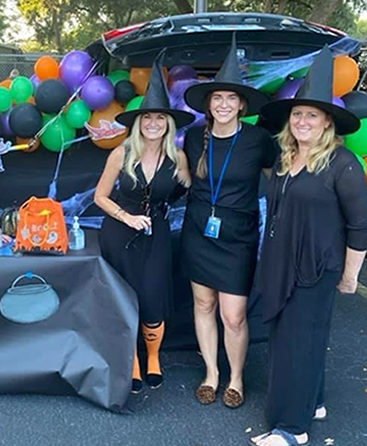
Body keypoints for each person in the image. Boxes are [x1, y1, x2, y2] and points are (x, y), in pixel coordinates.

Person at [250, 47, 367, 446]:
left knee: (296, 343)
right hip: (282, 263)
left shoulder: (343, 164)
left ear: (327, 122)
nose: (302, 120)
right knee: (301, 338)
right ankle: (312, 402)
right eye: (297, 113)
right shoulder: (285, 159)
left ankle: (291, 429)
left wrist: (350, 276)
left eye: (312, 115)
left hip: (317, 268)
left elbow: (360, 224)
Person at [181, 34, 274, 408]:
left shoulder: (257, 140)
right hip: (198, 230)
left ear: (241, 105)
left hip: (238, 235)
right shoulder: (192, 138)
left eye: (230, 98)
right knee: (202, 305)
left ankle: (236, 377)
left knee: (233, 315)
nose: (223, 104)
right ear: (209, 104)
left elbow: (280, 179)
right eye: (217, 98)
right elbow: (182, 179)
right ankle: (212, 374)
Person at [95, 49, 195, 394]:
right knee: (125, 300)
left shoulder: (178, 157)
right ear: (138, 122)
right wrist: (126, 216)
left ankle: (153, 356)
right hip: (119, 235)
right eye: (147, 118)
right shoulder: (120, 154)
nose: (153, 123)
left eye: (160, 118)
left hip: (157, 237)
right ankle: (133, 361)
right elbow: (100, 197)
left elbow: (188, 188)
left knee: (153, 301)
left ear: (168, 123)